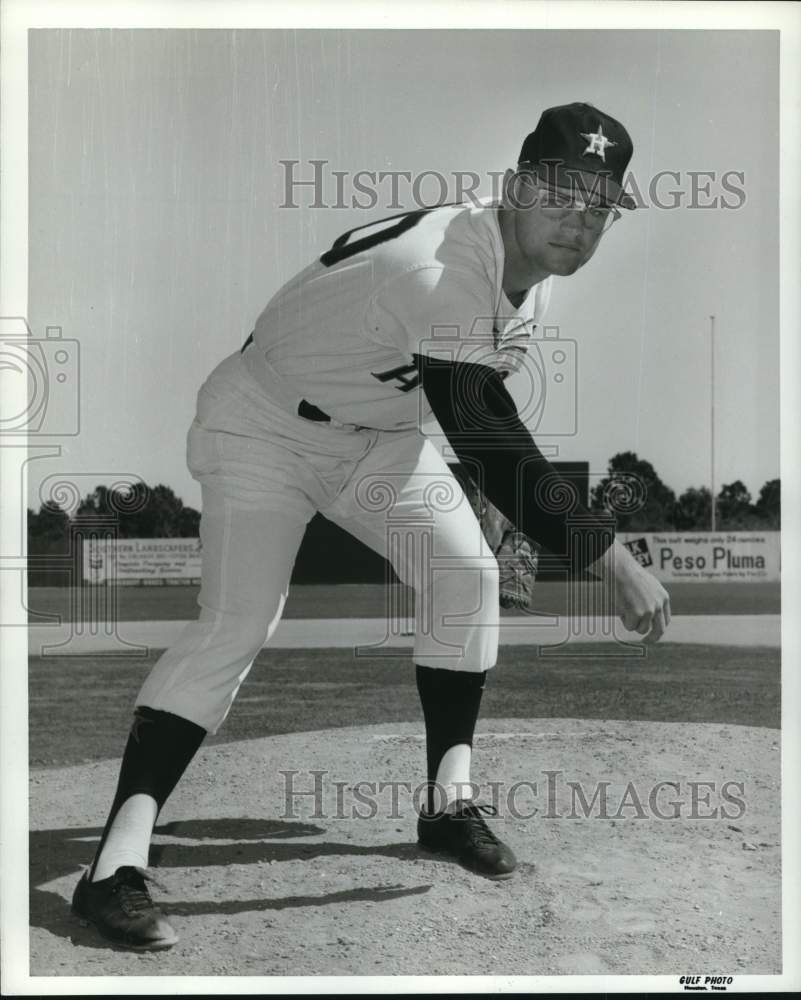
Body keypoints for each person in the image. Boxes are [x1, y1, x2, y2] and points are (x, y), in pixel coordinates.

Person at [71, 102, 671, 951]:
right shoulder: (444, 267)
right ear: (513, 187)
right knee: (237, 624)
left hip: (376, 440)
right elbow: (488, 432)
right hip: (263, 425)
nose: (578, 221)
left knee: (466, 576)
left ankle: (447, 803)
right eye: (559, 194)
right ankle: (112, 865)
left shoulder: (519, 291)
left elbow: (465, 413)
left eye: (598, 205)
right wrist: (607, 555)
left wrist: (499, 506)